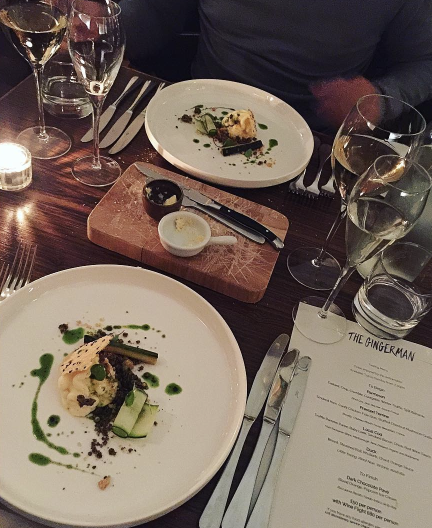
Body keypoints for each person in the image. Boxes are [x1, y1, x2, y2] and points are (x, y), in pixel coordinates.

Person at [120, 0, 432, 131]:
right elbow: (158, 11)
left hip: (315, 144)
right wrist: (109, 28)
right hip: (197, 117)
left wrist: (379, 100)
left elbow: (424, 61)